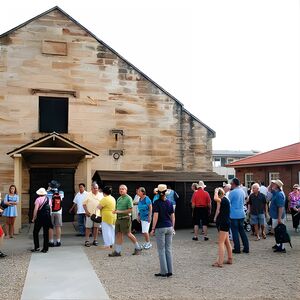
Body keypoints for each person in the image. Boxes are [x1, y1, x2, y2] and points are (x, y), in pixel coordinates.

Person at [109, 184, 142, 257]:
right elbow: (118, 209)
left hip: (125, 218)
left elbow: (130, 210)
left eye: (123, 189)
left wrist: (119, 212)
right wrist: (115, 211)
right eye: (120, 189)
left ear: (126, 190)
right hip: (118, 219)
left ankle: (138, 248)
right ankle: (118, 251)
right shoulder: (119, 198)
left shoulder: (129, 198)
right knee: (118, 235)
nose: (121, 190)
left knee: (129, 234)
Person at [150, 184, 175, 278]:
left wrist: (152, 228)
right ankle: (170, 270)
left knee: (161, 250)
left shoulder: (156, 203)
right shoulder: (169, 202)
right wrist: (173, 227)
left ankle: (163, 271)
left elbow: (155, 216)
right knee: (168, 249)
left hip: (160, 227)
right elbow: (173, 216)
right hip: (169, 227)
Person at [212, 187, 232, 267]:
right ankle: (230, 258)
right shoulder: (225, 200)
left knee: (221, 243)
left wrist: (216, 191)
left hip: (224, 223)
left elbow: (215, 198)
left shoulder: (223, 200)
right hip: (226, 222)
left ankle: (220, 262)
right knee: (227, 242)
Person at [228, 178, 249, 254]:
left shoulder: (232, 192)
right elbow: (244, 201)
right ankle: (246, 247)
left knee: (235, 232)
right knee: (242, 231)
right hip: (241, 213)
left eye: (231, 184)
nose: (230, 185)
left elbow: (228, 202)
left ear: (234, 184)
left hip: (234, 214)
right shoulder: (242, 191)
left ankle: (237, 248)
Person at [31, 188, 52, 253]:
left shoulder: (38, 199)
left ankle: (37, 247)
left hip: (40, 217)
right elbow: (50, 209)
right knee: (46, 233)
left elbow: (36, 209)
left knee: (35, 232)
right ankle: (45, 248)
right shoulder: (49, 199)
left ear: (39, 193)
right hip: (47, 217)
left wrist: (33, 218)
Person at [268, 179, 287, 252]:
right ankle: (278, 244)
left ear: (277, 186)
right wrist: (271, 184)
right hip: (275, 216)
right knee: (277, 231)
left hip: (278, 216)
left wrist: (279, 218)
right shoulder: (276, 192)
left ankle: (282, 247)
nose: (272, 185)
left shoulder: (279, 194)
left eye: (274, 184)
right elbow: (269, 190)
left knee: (280, 231)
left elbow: (280, 207)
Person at [83, 182, 103, 247]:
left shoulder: (101, 195)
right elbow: (84, 204)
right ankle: (87, 240)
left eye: (97, 188)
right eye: (94, 188)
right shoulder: (88, 194)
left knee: (96, 227)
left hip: (98, 214)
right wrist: (86, 211)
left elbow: (103, 204)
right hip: (90, 214)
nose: (96, 189)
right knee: (88, 227)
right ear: (91, 188)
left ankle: (95, 240)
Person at [47, 180, 64, 247]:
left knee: (50, 227)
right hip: (59, 211)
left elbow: (46, 200)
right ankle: (58, 241)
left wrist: (47, 190)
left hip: (50, 212)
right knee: (58, 226)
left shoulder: (48, 193)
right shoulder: (61, 192)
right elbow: (62, 200)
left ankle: (51, 241)